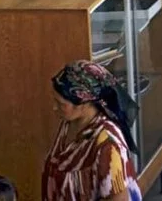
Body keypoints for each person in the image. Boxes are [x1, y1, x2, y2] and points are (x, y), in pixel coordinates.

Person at [42, 60, 141, 201]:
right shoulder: (69, 124)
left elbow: (118, 198)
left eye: (60, 104)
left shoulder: (108, 145)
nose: (54, 108)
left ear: (85, 103)